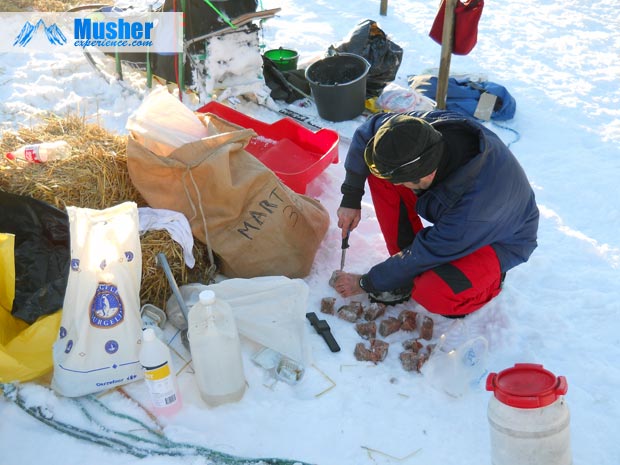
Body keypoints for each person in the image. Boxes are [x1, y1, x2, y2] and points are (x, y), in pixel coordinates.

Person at [331, 110, 539, 317]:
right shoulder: (417, 131)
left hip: (502, 239)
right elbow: (368, 132)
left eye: (404, 182)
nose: (399, 186)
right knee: (384, 169)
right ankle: (401, 267)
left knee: (434, 293)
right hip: (469, 215)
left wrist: (365, 282)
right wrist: (351, 197)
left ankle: (491, 280)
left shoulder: (470, 213)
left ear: (429, 173)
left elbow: (424, 253)